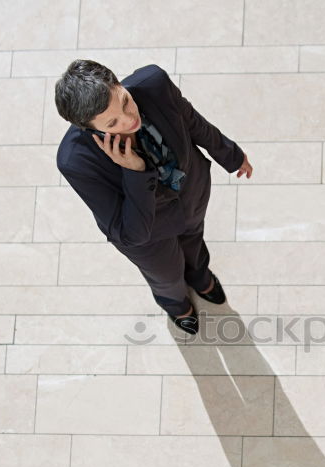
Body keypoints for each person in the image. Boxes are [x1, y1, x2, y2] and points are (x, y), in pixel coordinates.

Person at [53, 60, 253, 334]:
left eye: (124, 101)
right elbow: (129, 233)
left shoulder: (154, 84)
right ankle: (176, 305)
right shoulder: (76, 161)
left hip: (190, 196)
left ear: (118, 83)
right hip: (148, 235)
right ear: (89, 128)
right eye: (112, 123)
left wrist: (231, 155)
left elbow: (194, 123)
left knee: (195, 240)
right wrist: (135, 171)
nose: (128, 119)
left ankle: (200, 277)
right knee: (166, 275)